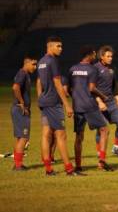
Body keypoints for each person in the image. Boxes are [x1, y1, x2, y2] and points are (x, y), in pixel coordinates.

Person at [36, 36, 78, 176]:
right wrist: (67, 105)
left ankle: (48, 169)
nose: (61, 49)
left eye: (61, 46)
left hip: (44, 102)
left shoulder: (41, 61)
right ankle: (69, 169)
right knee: (61, 135)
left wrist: (40, 96)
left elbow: (39, 82)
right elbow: (57, 83)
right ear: (50, 46)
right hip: (54, 103)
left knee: (46, 134)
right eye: (58, 46)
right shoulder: (53, 61)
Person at [69, 45, 113, 172]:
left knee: (79, 136)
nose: (95, 56)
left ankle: (78, 166)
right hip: (89, 105)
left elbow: (69, 89)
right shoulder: (92, 69)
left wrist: (76, 98)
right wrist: (103, 96)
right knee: (104, 130)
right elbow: (92, 88)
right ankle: (102, 162)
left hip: (77, 106)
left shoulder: (73, 69)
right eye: (94, 54)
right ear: (89, 55)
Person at [94, 45, 118, 158]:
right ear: (101, 56)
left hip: (111, 102)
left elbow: (114, 87)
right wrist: (99, 101)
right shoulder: (95, 69)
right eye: (108, 56)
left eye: (111, 56)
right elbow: (91, 88)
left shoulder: (111, 69)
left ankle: (116, 148)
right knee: (101, 128)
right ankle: (99, 153)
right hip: (98, 103)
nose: (110, 58)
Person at [10, 53, 37, 170]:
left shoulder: (25, 74)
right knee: (24, 137)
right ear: (26, 63)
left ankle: (17, 164)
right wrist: (22, 103)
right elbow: (15, 87)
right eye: (33, 64)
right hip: (20, 109)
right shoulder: (22, 73)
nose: (35, 67)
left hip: (18, 109)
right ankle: (18, 165)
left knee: (20, 137)